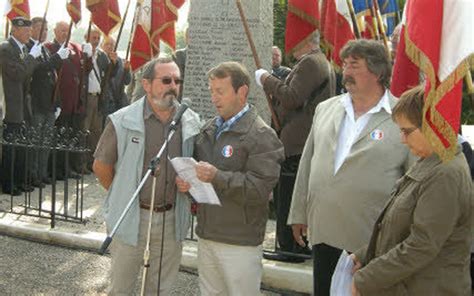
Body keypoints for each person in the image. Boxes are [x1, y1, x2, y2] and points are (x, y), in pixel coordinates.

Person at [287, 39, 413, 296]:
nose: (346, 72)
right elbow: (308, 162)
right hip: (325, 231)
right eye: (345, 65)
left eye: (354, 65)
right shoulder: (326, 109)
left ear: (378, 72)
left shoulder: (402, 116)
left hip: (371, 241)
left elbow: (414, 182)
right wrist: (298, 212)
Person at [93, 57, 201, 295]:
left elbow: (196, 167)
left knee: (162, 288)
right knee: (121, 288)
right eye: (166, 80)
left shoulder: (190, 121)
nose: (173, 85)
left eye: (177, 80)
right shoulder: (123, 120)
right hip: (132, 216)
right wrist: (124, 195)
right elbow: (101, 166)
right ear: (147, 84)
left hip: (171, 218)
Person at [350, 85, 473, 295]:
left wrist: (366, 279)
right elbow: (399, 226)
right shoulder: (431, 161)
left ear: (432, 125)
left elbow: (422, 245)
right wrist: (364, 254)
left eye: (407, 131)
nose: (402, 140)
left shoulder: (446, 173)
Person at [176, 61, 284, 295]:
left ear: (242, 92)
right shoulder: (207, 130)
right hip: (207, 235)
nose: (214, 98)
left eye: (220, 91)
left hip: (240, 242)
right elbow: (197, 176)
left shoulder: (262, 135)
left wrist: (217, 177)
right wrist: (186, 183)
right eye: (211, 91)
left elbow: (258, 190)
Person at [255, 31, 336, 263]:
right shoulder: (317, 61)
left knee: (288, 196)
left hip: (298, 142)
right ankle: (295, 246)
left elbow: (292, 97)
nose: (290, 43)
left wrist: (266, 80)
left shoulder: (311, 62)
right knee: (293, 195)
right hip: (301, 140)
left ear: (305, 40)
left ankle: (290, 247)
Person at [44, 21, 93, 179]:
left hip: (74, 102)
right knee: (58, 137)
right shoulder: (49, 47)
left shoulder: (76, 47)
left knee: (71, 137)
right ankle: (56, 170)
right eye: (62, 30)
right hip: (59, 100)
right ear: (55, 31)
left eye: (67, 30)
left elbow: (85, 70)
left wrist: (88, 56)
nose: (65, 33)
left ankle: (69, 168)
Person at [27, 17, 70, 187]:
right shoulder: (31, 48)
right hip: (38, 102)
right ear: (32, 30)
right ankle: (32, 175)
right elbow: (38, 70)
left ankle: (42, 173)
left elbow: (54, 78)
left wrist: (57, 102)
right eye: (40, 29)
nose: (43, 32)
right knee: (36, 141)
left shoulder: (44, 49)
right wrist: (57, 58)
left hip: (50, 103)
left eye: (45, 29)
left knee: (46, 142)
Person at [0, 17, 40, 195]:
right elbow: (17, 74)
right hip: (12, 105)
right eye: (25, 31)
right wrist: (32, 57)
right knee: (11, 148)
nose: (28, 34)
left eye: (30, 31)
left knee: (21, 147)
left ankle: (19, 180)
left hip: (23, 105)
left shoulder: (22, 48)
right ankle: (8, 184)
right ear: (15, 29)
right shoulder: (6, 48)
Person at [100, 36, 131, 117]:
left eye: (112, 44)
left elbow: (127, 81)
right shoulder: (99, 60)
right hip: (106, 101)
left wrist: (127, 70)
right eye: (107, 44)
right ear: (101, 46)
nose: (110, 46)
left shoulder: (121, 61)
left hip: (120, 100)